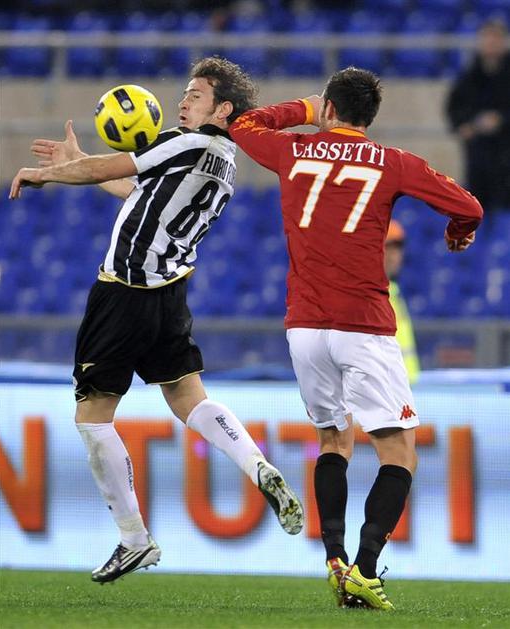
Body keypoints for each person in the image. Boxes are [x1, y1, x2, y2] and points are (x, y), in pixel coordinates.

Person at [10, 56, 303, 584]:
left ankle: (134, 539)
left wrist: (50, 173)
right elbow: (138, 193)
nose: (183, 102)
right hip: (170, 293)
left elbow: (111, 171)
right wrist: (81, 161)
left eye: (195, 95)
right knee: (188, 397)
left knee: (93, 415)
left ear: (223, 109)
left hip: (124, 291)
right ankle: (256, 464)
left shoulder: (185, 142)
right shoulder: (225, 161)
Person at [229, 66, 483, 610]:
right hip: (362, 324)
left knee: (332, 441)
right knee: (400, 453)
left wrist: (301, 109)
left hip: (304, 326)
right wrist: (457, 233)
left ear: (329, 108)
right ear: (371, 115)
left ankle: (335, 560)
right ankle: (366, 570)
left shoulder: (294, 150)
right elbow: (469, 206)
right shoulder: (393, 162)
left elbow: (242, 124)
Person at [446, 18, 510, 212]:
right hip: (478, 153)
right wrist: (463, 125)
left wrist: (501, 120)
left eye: (496, 38)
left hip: (506, 150)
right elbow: (454, 107)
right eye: (487, 37)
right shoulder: (469, 75)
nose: (491, 43)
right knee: (477, 205)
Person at [385, 219, 420, 385]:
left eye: (397, 249)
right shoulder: (369, 295)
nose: (394, 257)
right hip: (386, 389)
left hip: (405, 388)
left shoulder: (394, 292)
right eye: (388, 249)